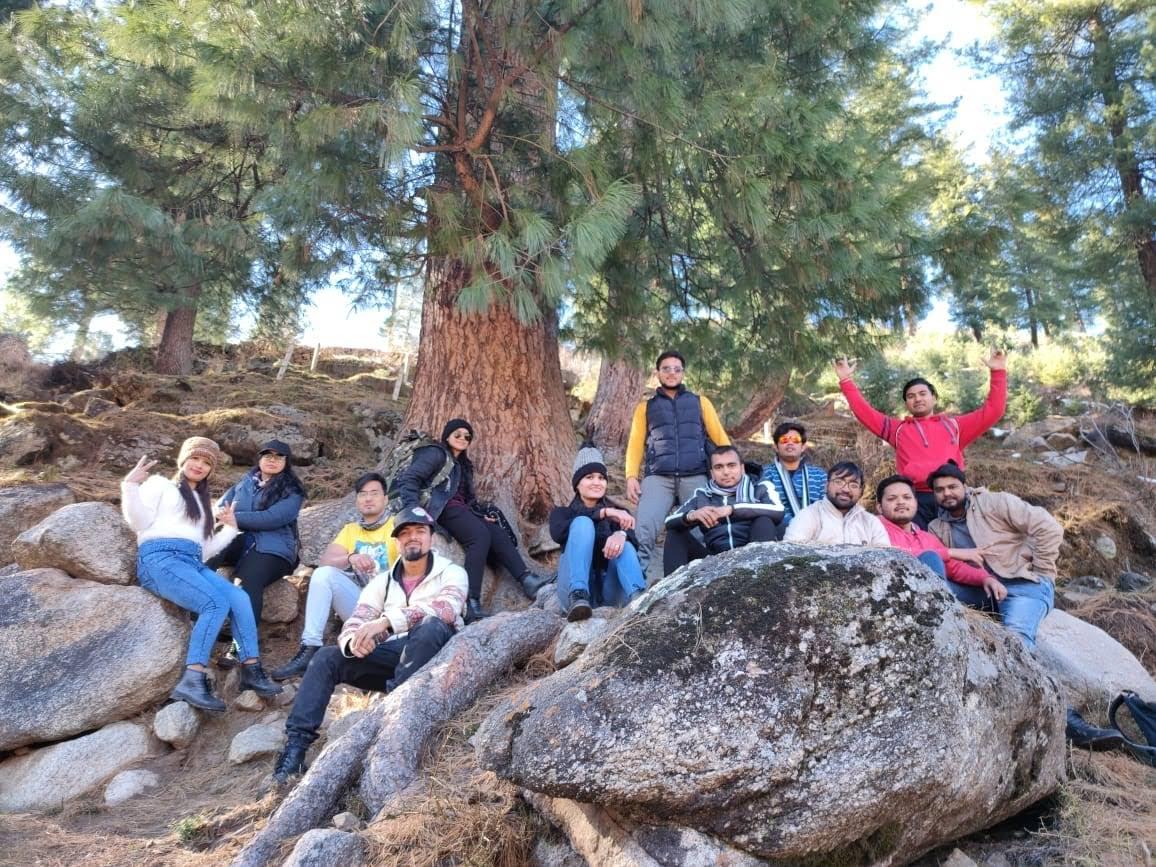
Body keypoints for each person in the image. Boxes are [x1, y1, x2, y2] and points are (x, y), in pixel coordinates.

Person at [271, 505, 467, 784]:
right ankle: (294, 750)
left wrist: (386, 623)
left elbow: (447, 609)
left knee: (430, 626)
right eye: (406, 533)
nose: (413, 537)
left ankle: (395, 718)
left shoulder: (451, 572)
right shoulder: (383, 581)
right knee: (327, 657)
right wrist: (354, 642)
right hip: (393, 662)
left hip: (436, 658)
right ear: (396, 541)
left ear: (431, 537)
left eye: (420, 531)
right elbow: (358, 618)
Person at [120, 437, 281, 712]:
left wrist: (230, 527)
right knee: (214, 603)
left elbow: (205, 551)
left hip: (192, 562)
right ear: (183, 459)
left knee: (239, 598)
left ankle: (250, 670)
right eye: (195, 458)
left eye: (206, 462)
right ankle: (192, 679)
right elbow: (139, 522)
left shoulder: (203, 503)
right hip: (159, 558)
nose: (199, 465)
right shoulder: (160, 485)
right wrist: (131, 486)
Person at [393, 418, 551, 622]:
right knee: (479, 536)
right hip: (441, 508)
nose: (462, 438)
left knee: (495, 531)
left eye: (467, 436)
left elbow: (468, 499)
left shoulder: (464, 465)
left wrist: (479, 514)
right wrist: (414, 511)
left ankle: (528, 580)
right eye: (457, 434)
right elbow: (410, 479)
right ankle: (470, 602)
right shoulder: (436, 453)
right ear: (447, 436)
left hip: (460, 509)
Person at [834, 350, 1008, 528]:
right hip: (915, 499)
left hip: (952, 494)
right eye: (911, 396)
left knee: (961, 544)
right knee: (921, 549)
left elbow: (993, 410)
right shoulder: (898, 430)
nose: (917, 398)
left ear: (934, 398)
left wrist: (998, 371)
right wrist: (846, 381)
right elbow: (866, 413)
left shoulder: (955, 426)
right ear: (906, 404)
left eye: (922, 393)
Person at [269, 472, 399, 681]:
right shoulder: (351, 530)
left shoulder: (398, 525)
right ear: (356, 500)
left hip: (395, 610)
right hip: (363, 609)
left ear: (385, 498)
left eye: (374, 493)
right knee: (323, 575)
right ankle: (310, 648)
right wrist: (351, 556)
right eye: (363, 494)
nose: (368, 498)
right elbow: (326, 561)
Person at [926, 461, 1060, 649]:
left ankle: (1020, 677)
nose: (946, 493)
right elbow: (947, 565)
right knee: (931, 592)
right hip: (980, 588)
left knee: (1015, 640)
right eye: (939, 490)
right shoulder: (936, 527)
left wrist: (1042, 571)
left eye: (952, 487)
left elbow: (1048, 527)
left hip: (1020, 584)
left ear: (964, 487)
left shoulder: (995, 502)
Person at [624, 350, 731, 572]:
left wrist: (731, 469)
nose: (671, 373)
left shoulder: (700, 402)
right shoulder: (645, 407)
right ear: (657, 373)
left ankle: (701, 581)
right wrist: (631, 476)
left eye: (677, 369)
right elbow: (635, 444)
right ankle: (633, 590)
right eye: (666, 369)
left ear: (683, 373)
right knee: (644, 531)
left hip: (695, 475)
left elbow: (720, 438)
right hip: (658, 477)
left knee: (703, 531)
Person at [208, 440, 305, 666]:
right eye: (267, 455)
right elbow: (220, 509)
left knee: (246, 582)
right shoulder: (244, 484)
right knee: (209, 554)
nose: (272, 459)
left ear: (286, 462)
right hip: (240, 540)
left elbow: (276, 517)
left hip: (274, 548)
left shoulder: (292, 490)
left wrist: (236, 519)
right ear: (259, 459)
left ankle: (241, 648)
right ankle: (193, 618)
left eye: (279, 456)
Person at [549, 443, 646, 622]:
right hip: (571, 590)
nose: (597, 482)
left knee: (624, 544)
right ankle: (579, 596)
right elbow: (557, 533)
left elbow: (634, 538)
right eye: (589, 477)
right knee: (583, 523)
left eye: (601, 477)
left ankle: (640, 598)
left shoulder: (618, 513)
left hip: (609, 592)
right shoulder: (563, 513)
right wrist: (604, 513)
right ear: (577, 484)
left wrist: (621, 535)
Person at [874, 474, 1008, 601]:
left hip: (939, 588)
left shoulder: (926, 537)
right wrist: (950, 552)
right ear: (879, 507)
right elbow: (893, 553)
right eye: (892, 499)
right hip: (898, 590)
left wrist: (986, 578)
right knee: (930, 558)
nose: (900, 502)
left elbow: (953, 567)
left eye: (907, 497)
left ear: (916, 503)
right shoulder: (874, 528)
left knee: (992, 594)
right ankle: (942, 607)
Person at [663, 445, 784, 575]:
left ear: (742, 468)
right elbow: (669, 521)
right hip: (713, 561)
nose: (726, 472)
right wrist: (692, 515)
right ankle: (670, 588)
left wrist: (733, 509)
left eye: (731, 465)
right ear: (712, 473)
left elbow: (778, 511)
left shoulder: (760, 487)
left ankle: (762, 578)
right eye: (719, 467)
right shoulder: (702, 494)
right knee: (675, 533)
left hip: (752, 557)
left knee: (764, 521)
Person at [783, 461, 890, 547]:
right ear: (826, 485)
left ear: (861, 492)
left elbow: (885, 558)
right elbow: (790, 554)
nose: (846, 489)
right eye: (839, 482)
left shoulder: (871, 522)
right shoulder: (809, 515)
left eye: (853, 485)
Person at [759, 421, 827, 527]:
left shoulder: (819, 476)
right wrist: (795, 526)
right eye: (784, 440)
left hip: (815, 529)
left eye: (796, 440)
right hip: (780, 531)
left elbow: (827, 506)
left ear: (803, 446)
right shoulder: (764, 474)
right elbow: (765, 507)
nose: (790, 443)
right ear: (776, 447)